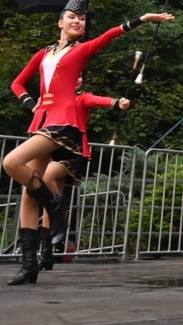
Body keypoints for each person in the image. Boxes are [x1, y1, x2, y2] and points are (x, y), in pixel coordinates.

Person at [3, 0, 174, 286]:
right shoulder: (43, 54)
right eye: (71, 16)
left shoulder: (81, 50)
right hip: (42, 120)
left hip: (64, 121)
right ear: (60, 22)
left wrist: (142, 19)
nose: (77, 21)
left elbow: (110, 35)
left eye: (81, 19)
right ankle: (29, 265)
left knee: (11, 162)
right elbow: (17, 83)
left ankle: (54, 203)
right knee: (26, 194)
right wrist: (31, 104)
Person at [35, 87, 132, 274]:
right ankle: (46, 254)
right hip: (55, 148)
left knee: (48, 177)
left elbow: (97, 100)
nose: (77, 79)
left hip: (75, 150)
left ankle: (61, 211)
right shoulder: (55, 97)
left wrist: (117, 101)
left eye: (80, 76)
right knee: (49, 204)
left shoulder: (82, 98)